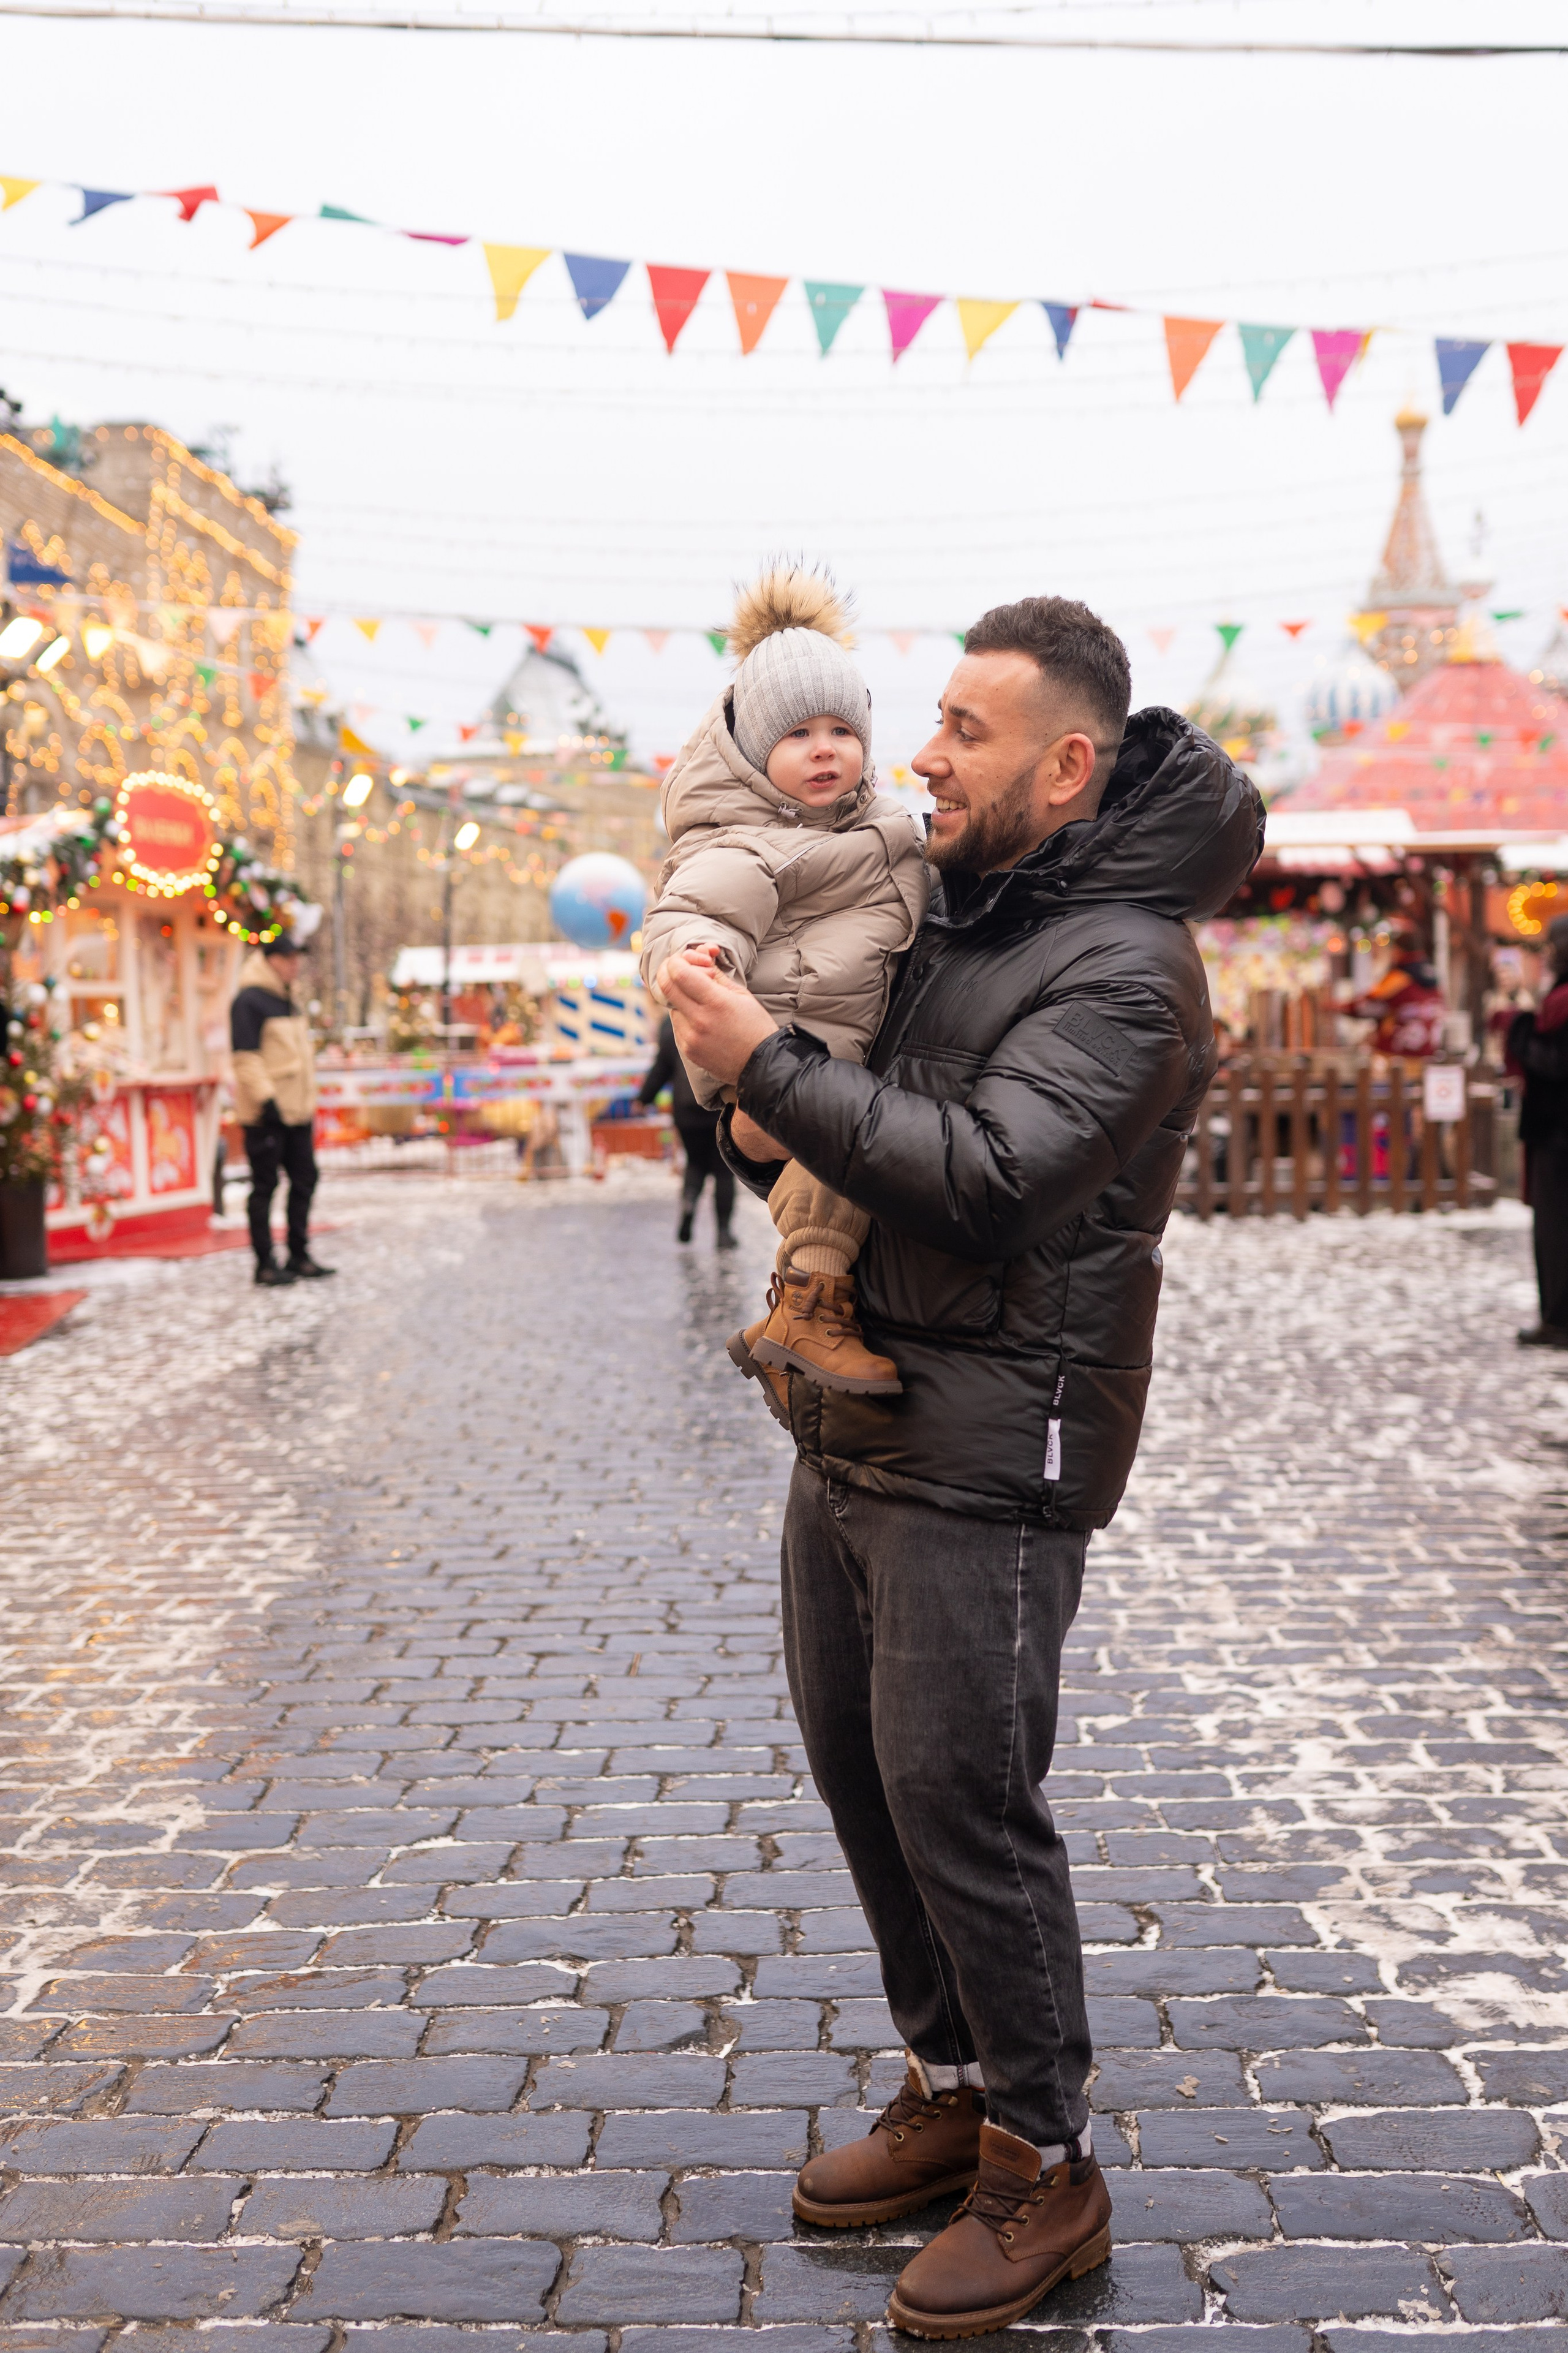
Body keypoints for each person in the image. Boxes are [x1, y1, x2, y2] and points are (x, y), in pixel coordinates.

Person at [662, 596, 1262, 2339]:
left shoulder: (1130, 963)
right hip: (849, 1413)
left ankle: (1041, 2155)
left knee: (965, 1803)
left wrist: (763, 1064)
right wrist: (753, 1094)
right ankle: (947, 2078)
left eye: (964, 732)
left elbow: (996, 1171)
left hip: (993, 1441)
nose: (924, 752)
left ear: (1066, 765)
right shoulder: (955, 904)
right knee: (865, 1780)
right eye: (928, 719)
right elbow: (832, 1086)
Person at [639, 565, 929, 1400]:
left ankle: (794, 1320)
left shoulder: (884, 828)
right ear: (753, 750)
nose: (827, 747)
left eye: (844, 729)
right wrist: (696, 957)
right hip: (777, 1053)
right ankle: (808, 1313)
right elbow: (691, 909)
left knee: (851, 1150)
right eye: (800, 733)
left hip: (840, 1050)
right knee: (841, 1154)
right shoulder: (744, 839)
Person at [229, 937, 333, 1288]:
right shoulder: (249, 1000)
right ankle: (265, 1263)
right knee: (265, 1187)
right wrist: (267, 1101)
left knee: (305, 1180)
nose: (295, 965)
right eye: (288, 959)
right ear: (270, 960)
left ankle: (298, 1254)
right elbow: (245, 1057)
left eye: (297, 958)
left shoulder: (289, 999)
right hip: (267, 1114)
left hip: (298, 1110)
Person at [1508, 910, 1568, 1347]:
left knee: (1555, 1228)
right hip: (1554, 1132)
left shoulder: (1564, 999)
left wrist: (1524, 1038)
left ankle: (1559, 1319)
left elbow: (1557, 1063)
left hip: (1558, 1132)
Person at [638, 1012, 736, 1249]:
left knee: (695, 1163)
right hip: (719, 1106)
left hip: (686, 1109)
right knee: (724, 1169)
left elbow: (662, 1066)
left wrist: (644, 1098)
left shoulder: (671, 1020)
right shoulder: (721, 1013)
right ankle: (723, 1233)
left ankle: (689, 1203)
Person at [1346, 927, 1447, 1056]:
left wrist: (1339, 1007)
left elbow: (1366, 1004)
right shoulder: (1433, 975)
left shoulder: (1400, 977)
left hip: (1398, 1053)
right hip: (1429, 1051)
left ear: (1398, 950)